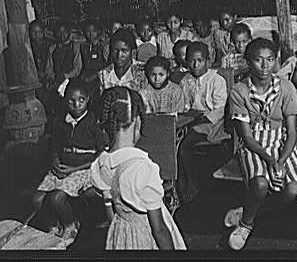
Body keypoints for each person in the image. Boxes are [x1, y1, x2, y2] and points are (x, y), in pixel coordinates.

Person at [225, 38, 297, 250]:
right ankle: (246, 225)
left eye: (270, 60)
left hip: (282, 143)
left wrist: (281, 160)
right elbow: (247, 138)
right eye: (258, 60)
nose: (265, 66)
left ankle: (248, 211)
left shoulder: (286, 87)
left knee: (294, 188)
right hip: (254, 146)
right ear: (249, 62)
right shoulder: (239, 91)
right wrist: (270, 160)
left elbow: (292, 132)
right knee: (260, 183)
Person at [90, 86, 186, 250]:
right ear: (137, 120)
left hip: (119, 232)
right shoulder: (143, 169)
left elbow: (109, 208)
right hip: (144, 236)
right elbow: (159, 230)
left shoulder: (101, 163)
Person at [32, 78, 108, 246]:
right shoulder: (61, 122)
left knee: (57, 198)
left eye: (81, 100)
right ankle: (54, 226)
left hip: (84, 169)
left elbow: (101, 155)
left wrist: (74, 169)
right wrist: (55, 162)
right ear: (65, 101)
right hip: (62, 168)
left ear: (87, 99)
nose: (76, 105)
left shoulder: (93, 122)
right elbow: (55, 148)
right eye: (71, 101)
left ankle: (70, 225)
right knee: (37, 200)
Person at [177, 42, 229, 203]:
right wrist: (187, 116)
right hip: (192, 120)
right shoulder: (186, 80)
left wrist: (200, 119)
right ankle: (178, 181)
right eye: (191, 60)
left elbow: (220, 109)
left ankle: (191, 183)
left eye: (200, 60)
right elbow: (184, 104)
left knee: (184, 146)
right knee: (174, 141)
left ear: (208, 61)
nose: (195, 64)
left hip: (213, 123)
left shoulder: (216, 79)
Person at [98, 28, 147, 95]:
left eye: (124, 50)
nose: (119, 55)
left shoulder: (143, 72)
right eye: (115, 50)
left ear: (132, 51)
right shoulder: (104, 75)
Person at [29, 19, 56, 122]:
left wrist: (47, 77)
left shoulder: (51, 44)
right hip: (35, 78)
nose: (36, 35)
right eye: (33, 33)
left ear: (43, 32)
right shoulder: (28, 46)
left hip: (50, 76)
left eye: (39, 32)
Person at [79, 19, 107, 114]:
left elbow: (106, 67)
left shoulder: (102, 47)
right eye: (88, 32)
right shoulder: (84, 47)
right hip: (86, 76)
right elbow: (82, 64)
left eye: (93, 31)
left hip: (98, 77)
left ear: (98, 32)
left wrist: (95, 75)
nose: (90, 34)